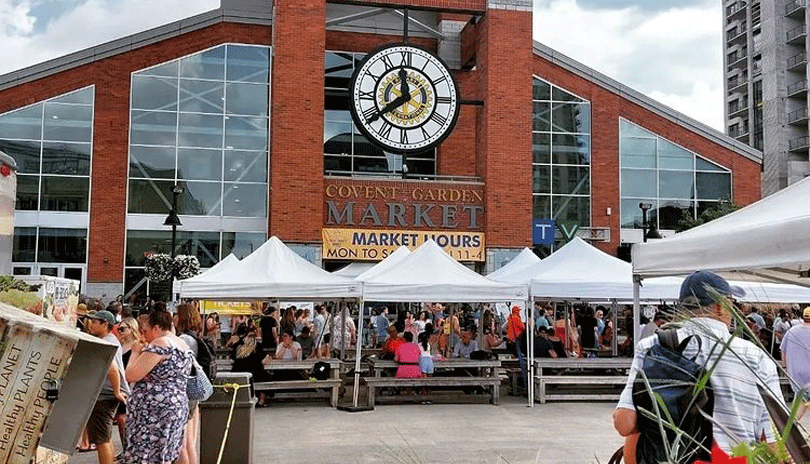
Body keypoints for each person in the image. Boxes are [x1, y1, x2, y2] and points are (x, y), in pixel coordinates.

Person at [613, 270, 784, 462]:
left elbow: (624, 423)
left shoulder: (652, 346)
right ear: (721, 306)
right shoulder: (756, 357)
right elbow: (775, 440)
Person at [125, 309, 192, 464]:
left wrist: (135, 353)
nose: (143, 335)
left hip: (155, 411)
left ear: (156, 328)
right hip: (175, 405)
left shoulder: (161, 343)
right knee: (169, 452)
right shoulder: (181, 343)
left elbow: (131, 375)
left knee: (149, 455)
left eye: (145, 331)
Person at [85, 310, 130, 464]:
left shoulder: (106, 342)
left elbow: (112, 368)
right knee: (105, 437)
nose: (91, 324)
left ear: (105, 324)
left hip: (105, 395)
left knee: (101, 440)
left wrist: (117, 391)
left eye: (95, 322)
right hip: (108, 394)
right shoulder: (111, 340)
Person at [174, 303, 204, 464]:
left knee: (182, 445)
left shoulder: (182, 339)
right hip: (193, 390)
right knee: (190, 444)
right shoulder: (194, 337)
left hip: (184, 391)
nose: (173, 317)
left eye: (176, 314)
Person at [113, 316, 139, 460]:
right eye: (119, 329)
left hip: (131, 386)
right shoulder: (120, 345)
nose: (120, 331)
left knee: (125, 419)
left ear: (132, 328)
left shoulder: (137, 346)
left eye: (123, 329)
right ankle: (126, 449)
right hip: (120, 385)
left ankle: (129, 450)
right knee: (121, 419)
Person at [780, 306, 810, 419]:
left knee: (799, 404)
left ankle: (789, 432)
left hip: (796, 377)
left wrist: (785, 367)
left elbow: (783, 351)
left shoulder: (791, 331)